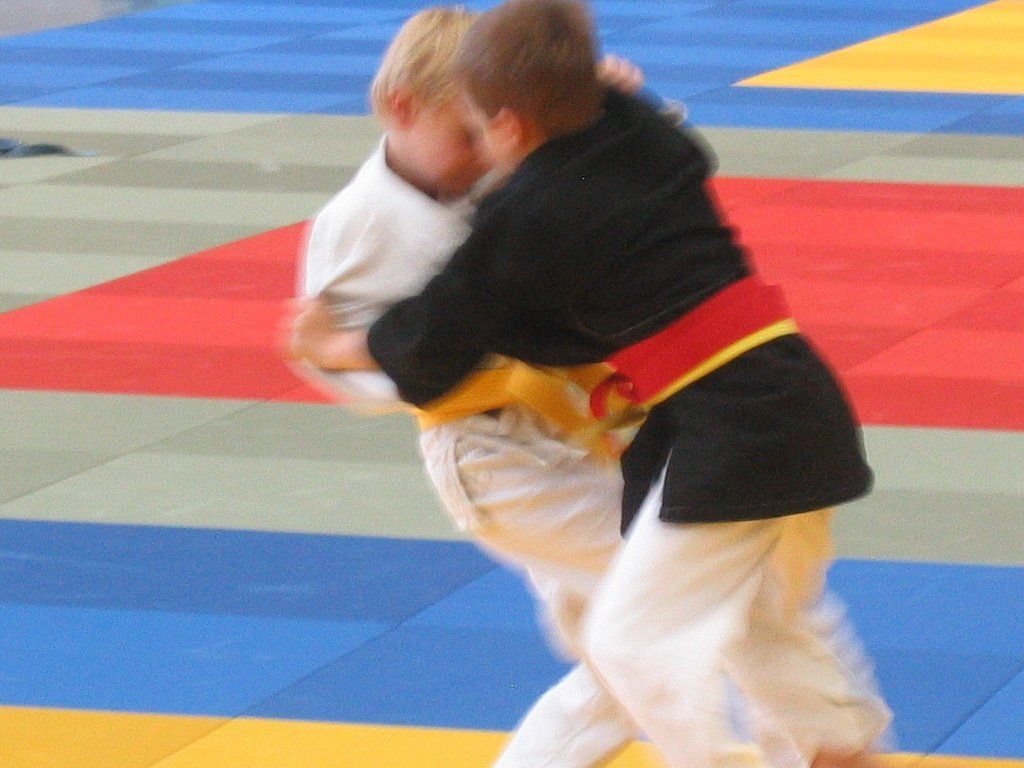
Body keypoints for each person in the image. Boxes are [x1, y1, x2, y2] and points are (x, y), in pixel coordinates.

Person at [319, 2, 893, 767]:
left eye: (483, 130)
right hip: (781, 400)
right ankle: (836, 750)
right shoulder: (643, 141)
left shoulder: (531, 215)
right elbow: (644, 138)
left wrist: (340, 344)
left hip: (729, 430)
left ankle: (811, 753)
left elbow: (439, 334)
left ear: (511, 126)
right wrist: (615, 94)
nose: (483, 159)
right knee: (738, 618)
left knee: (638, 644)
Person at [288, 9, 643, 767]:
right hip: (489, 454)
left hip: (567, 431)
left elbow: (587, 188)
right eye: (466, 137)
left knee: (632, 659)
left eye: (495, 132)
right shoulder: (358, 223)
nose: (488, 156)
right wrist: (374, 357)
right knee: (680, 595)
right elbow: (321, 355)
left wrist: (595, 109)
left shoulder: (489, 167)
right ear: (403, 109)